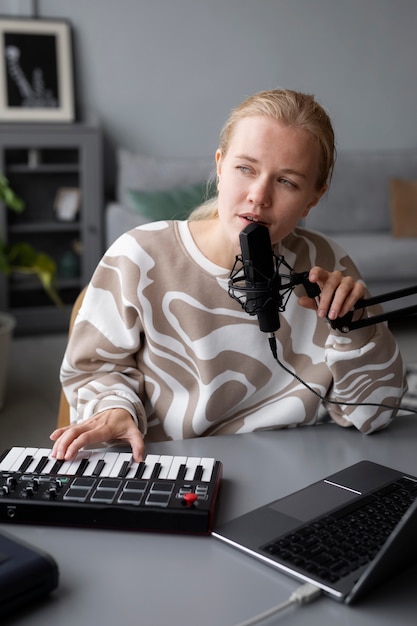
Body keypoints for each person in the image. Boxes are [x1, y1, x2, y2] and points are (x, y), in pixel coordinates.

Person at [50, 88, 406, 463]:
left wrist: (358, 331)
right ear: (220, 166)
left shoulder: (329, 264)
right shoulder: (138, 257)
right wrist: (115, 408)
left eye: (287, 181)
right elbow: (93, 370)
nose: (259, 196)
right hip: (175, 472)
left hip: (298, 471)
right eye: (245, 169)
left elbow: (374, 415)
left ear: (314, 197)